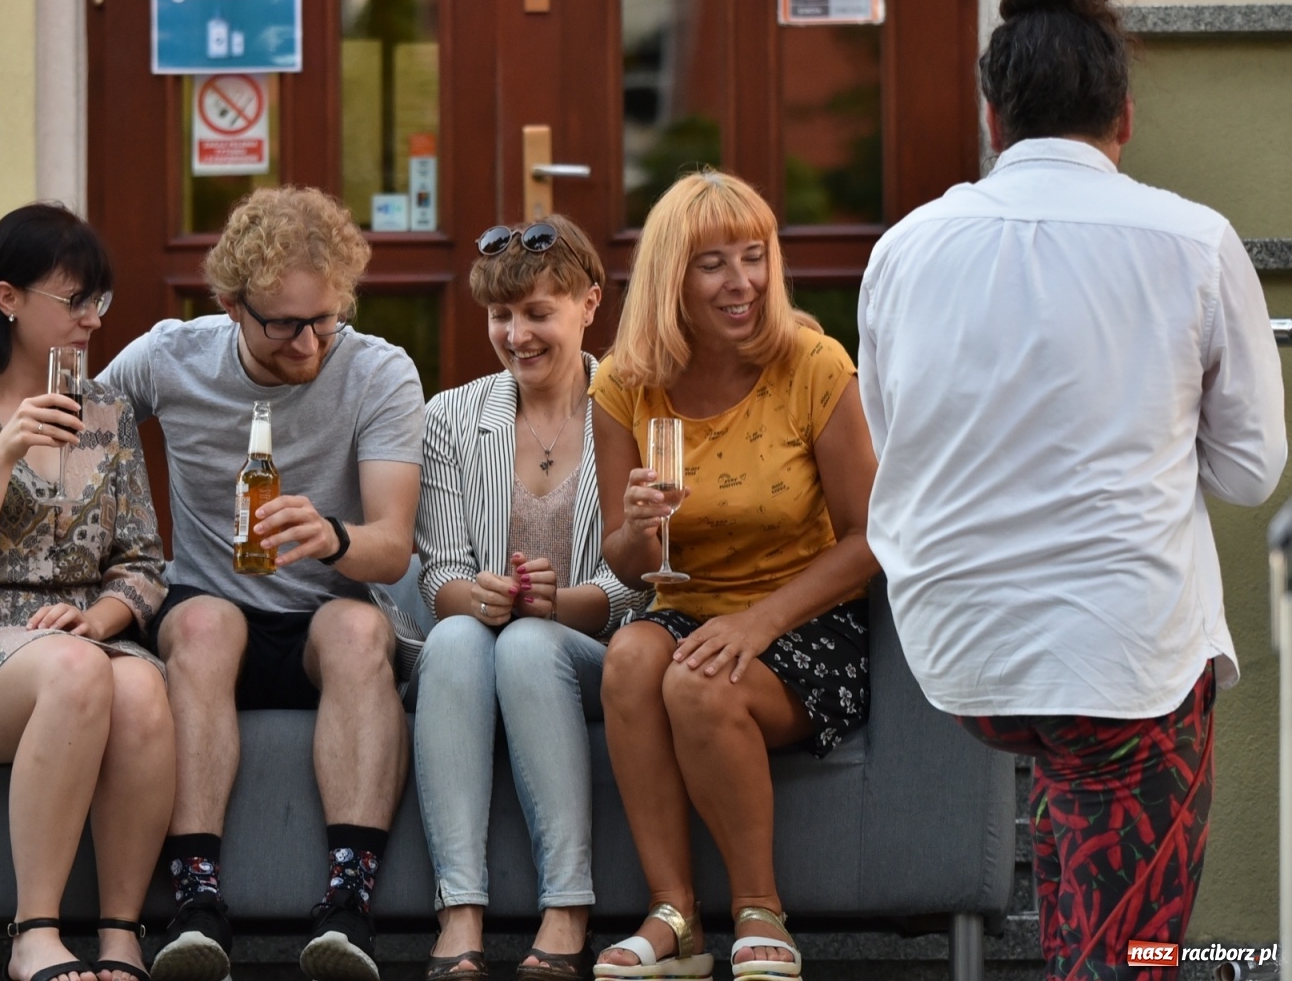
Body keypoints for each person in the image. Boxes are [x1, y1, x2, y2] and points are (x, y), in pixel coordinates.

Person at [857, 0, 1286, 981]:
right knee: (1134, 947)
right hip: (1120, 663)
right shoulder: (1193, 241)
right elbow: (1249, 471)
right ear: (1123, 116)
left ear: (992, 120)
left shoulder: (904, 249)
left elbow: (894, 435)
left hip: (962, 653)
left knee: (1076, 781)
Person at [99, 186, 424, 981]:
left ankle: (348, 906)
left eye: (325, 320)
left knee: (358, 628)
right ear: (230, 306)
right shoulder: (170, 357)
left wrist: (334, 536)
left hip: (324, 616)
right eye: (283, 324)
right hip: (211, 612)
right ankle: (196, 902)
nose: (309, 344)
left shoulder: (377, 371)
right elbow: (67, 440)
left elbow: (391, 548)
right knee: (205, 624)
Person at [590, 170, 880, 981]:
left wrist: (759, 623)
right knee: (630, 657)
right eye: (713, 263)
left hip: (807, 616)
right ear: (669, 278)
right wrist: (640, 530)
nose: (742, 281)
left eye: (755, 256)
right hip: (686, 607)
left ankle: (761, 909)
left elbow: (872, 537)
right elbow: (627, 565)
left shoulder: (814, 365)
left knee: (697, 682)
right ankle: (674, 916)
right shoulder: (622, 384)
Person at [0, 204, 172, 981]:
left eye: (99, 300)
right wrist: (2, 455)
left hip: (81, 640)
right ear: (7, 298)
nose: (93, 319)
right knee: (78, 672)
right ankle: (35, 934)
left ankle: (120, 935)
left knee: (140, 686)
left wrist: (97, 619)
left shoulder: (106, 415)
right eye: (74, 300)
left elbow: (143, 563)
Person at [413, 216, 645, 981]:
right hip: (479, 649)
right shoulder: (450, 417)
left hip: (594, 652)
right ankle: (459, 909)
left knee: (528, 641)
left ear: (589, 303)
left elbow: (642, 579)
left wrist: (560, 604)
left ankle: (568, 906)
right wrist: (475, 598)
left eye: (537, 312)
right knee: (455, 637)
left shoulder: (635, 407)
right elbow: (438, 573)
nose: (516, 335)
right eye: (500, 315)